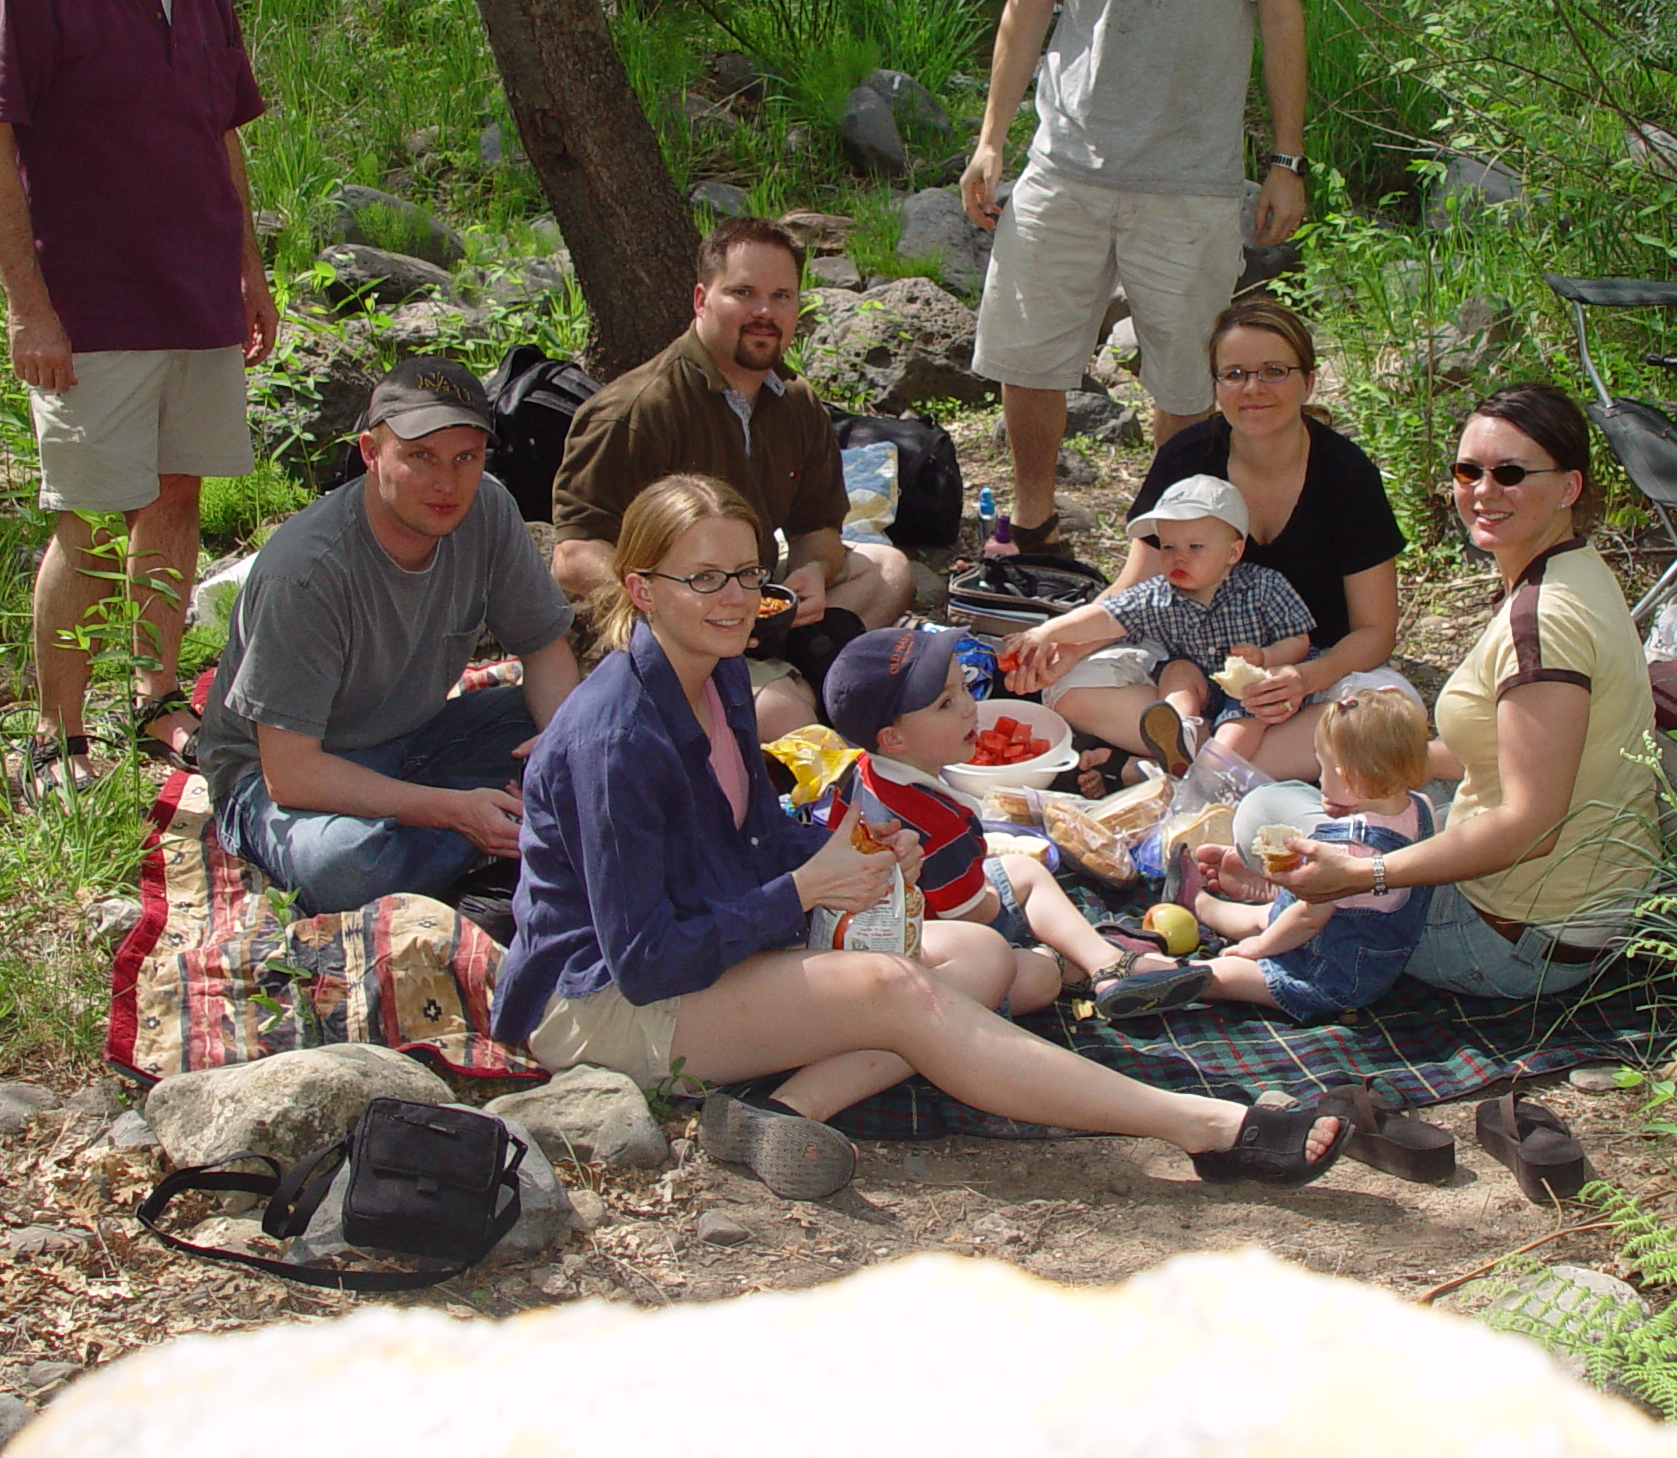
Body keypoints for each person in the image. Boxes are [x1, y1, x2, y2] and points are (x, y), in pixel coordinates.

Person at [492, 475, 1346, 1202]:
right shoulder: (617, 741)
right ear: (641, 589)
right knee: (898, 988)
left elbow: (749, 841)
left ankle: (777, 1113)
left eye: (746, 575)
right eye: (702, 578)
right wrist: (803, 889)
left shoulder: (715, 675)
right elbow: (643, 959)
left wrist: (853, 853)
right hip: (602, 1003)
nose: (732, 600)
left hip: (701, 945)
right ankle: (1203, 1128)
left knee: (977, 956)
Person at [0, 0, 281, 795]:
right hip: (87, 305)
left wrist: (248, 267)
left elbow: (220, 133)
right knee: (90, 515)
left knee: (175, 497)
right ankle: (56, 735)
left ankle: (152, 702)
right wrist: (29, 309)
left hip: (191, 288)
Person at [960, 0, 1318, 555]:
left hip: (1192, 179)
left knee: (1187, 383)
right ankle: (1032, 520)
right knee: (1027, 355)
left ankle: (1164, 547)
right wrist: (991, 143)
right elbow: (1026, 9)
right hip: (1067, 162)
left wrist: (1286, 158)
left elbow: (1280, 10)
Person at [1214, 385, 1663, 1001]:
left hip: (1515, 934)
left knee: (1267, 813)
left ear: (1569, 488)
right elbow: (1504, 755)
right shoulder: (1573, 570)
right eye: (1468, 470)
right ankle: (1293, 897)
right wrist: (1379, 764)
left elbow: (1532, 826)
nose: (1484, 490)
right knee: (1335, 805)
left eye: (1511, 472)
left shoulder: (1544, 624)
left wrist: (1365, 871)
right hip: (1574, 902)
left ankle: (1282, 909)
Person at [193, 358, 579, 916]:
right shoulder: (307, 571)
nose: (447, 483)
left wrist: (563, 750)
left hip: (418, 736)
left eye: (465, 458)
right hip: (284, 777)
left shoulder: (487, 508)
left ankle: (484, 837)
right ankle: (506, 836)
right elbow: (292, 773)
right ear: (371, 454)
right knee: (345, 867)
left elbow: (544, 650)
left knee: (594, 726)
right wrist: (451, 810)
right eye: (420, 457)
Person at [548, 217, 914, 737]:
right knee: (784, 719)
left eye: (781, 296)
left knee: (890, 571)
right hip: (662, 622)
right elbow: (575, 556)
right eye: (743, 293)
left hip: (755, 591)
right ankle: (785, 688)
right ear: (702, 299)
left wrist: (812, 572)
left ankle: (788, 671)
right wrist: (682, 604)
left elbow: (818, 528)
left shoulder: (797, 402)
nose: (765, 313)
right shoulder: (636, 410)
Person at [1071, 302, 1411, 778]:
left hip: (1308, 674)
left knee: (1392, 710)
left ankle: (1160, 767)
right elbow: (1135, 588)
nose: (1253, 389)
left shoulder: (1347, 476)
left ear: (1308, 382)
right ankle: (1206, 760)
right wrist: (1061, 645)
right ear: (1215, 385)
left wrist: (1301, 678)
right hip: (1185, 671)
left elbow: (1376, 630)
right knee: (1068, 682)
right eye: (1234, 374)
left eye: (1274, 371)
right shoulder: (1186, 458)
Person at [819, 625, 1202, 1021]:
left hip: (865, 935)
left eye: (963, 688)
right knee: (1038, 974)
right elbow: (972, 917)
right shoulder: (940, 822)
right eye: (945, 704)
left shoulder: (859, 772)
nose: (969, 707)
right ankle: (1089, 964)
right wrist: (988, 895)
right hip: (924, 954)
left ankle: (1104, 964)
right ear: (894, 740)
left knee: (1018, 868)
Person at [1002, 475, 1314, 773]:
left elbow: (1298, 640)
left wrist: (1267, 658)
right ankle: (1176, 733)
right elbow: (1106, 616)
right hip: (1198, 680)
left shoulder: (1264, 586)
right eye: (1168, 547)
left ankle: (1214, 768)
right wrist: (1047, 632)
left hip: (1249, 687)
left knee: (1246, 715)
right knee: (1177, 671)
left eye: (1195, 547)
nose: (1178, 558)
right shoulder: (1157, 595)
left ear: (1233, 552)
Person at [1184, 688, 1437, 1022]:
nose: (1319, 778)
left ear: (1350, 778)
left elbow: (1307, 919)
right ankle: (1202, 905)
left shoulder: (1349, 850)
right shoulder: (1423, 807)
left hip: (1328, 973)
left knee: (1234, 971)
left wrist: (1258, 950)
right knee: (1270, 914)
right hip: (1372, 957)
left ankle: (1174, 974)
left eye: (1323, 767)